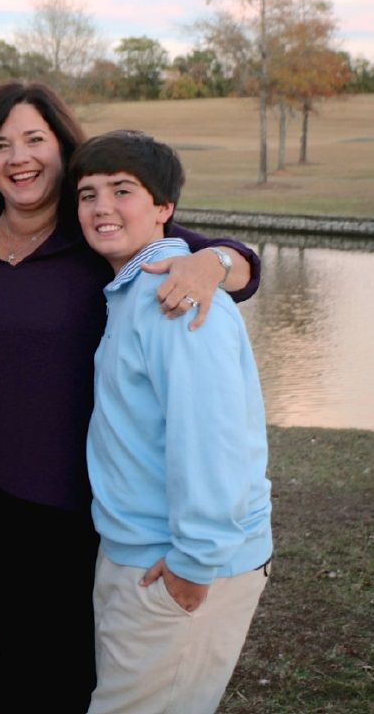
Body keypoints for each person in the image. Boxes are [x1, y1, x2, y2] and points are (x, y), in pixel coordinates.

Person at [0, 81, 261, 712]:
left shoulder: (94, 228)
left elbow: (235, 262)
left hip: (68, 496)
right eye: (0, 145)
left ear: (63, 149)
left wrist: (215, 262)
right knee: (13, 649)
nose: (18, 157)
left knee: (70, 660)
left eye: (35, 139)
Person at [70, 130, 272, 713]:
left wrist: (194, 562)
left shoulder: (174, 295)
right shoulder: (133, 290)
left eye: (121, 191)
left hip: (179, 569)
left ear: (165, 209)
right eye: (87, 194)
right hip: (138, 554)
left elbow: (214, 437)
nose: (102, 207)